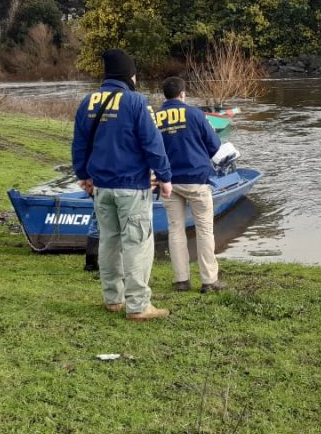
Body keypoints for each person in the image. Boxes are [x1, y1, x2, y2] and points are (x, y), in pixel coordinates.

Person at [72, 49, 174, 322]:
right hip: (131, 186)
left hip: (101, 187)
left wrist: (83, 175)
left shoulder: (88, 102)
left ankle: (113, 299)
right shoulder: (135, 102)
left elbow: (80, 143)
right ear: (128, 74)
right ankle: (139, 305)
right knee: (137, 244)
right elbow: (153, 143)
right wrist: (164, 177)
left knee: (109, 241)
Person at [156, 76, 226, 294]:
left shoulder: (155, 117)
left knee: (175, 229)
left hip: (169, 181)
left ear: (164, 95)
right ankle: (208, 281)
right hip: (196, 179)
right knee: (204, 230)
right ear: (183, 94)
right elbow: (215, 147)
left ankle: (181, 281)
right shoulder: (196, 114)